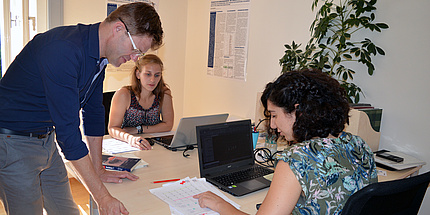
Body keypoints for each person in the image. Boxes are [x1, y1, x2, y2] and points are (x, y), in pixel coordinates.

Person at [0, 2, 163, 215]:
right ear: (118, 29)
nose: (135, 59)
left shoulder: (99, 58)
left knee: (67, 211)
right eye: (135, 50)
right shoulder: (63, 50)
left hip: (45, 138)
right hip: (13, 141)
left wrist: (98, 169)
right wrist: (102, 197)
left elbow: (94, 112)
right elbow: (69, 134)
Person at [193, 69, 378, 215]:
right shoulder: (358, 145)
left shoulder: (297, 159)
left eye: (274, 115)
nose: (272, 124)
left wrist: (222, 206)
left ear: (298, 111)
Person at [108, 54, 174, 149]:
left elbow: (168, 125)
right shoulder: (124, 94)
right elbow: (112, 128)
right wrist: (130, 138)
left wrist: (139, 129)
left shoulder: (164, 93)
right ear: (138, 74)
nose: (152, 80)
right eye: (148, 74)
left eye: (157, 75)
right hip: (129, 145)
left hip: (154, 144)